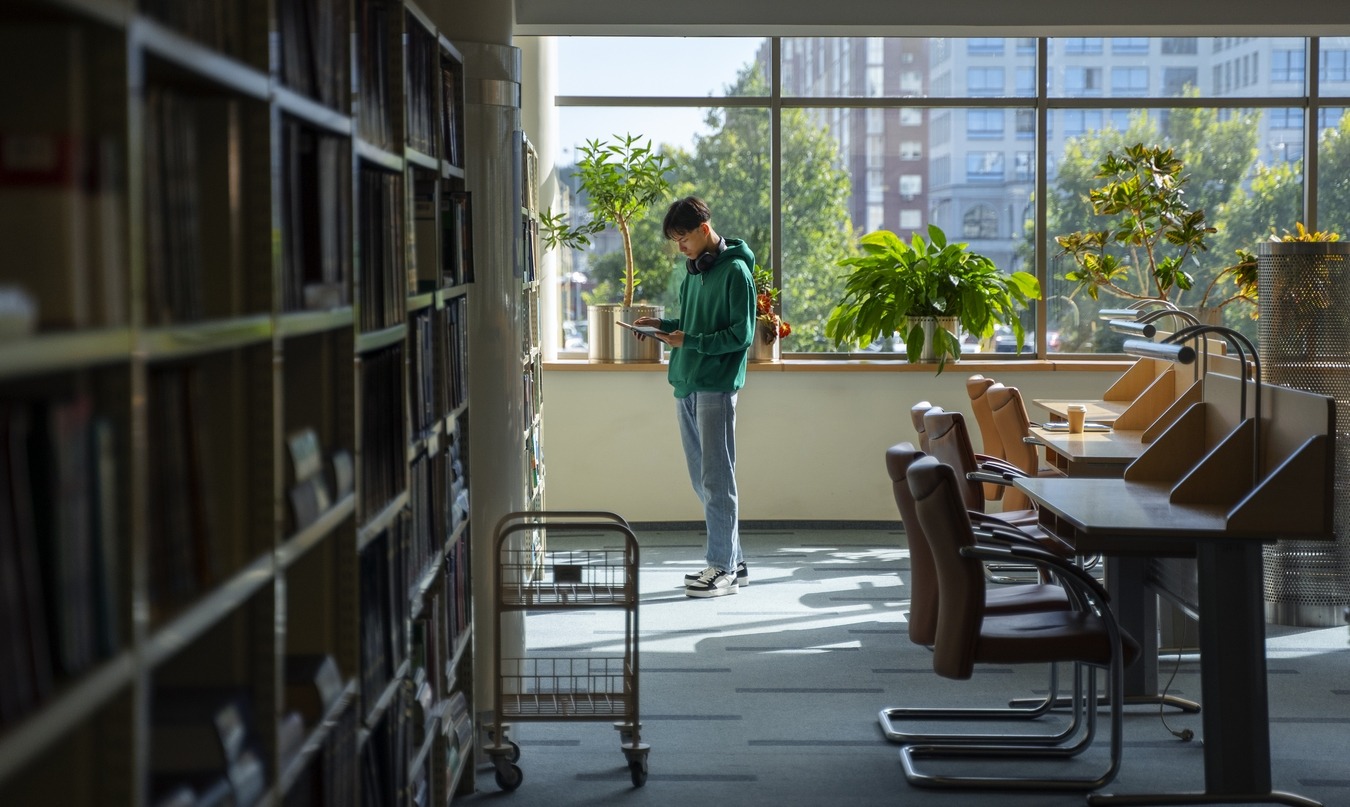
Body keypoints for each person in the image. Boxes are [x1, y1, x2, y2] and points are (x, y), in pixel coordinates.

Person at [634, 196, 756, 598]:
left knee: (717, 480)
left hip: (715, 385)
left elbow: (741, 335)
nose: (680, 247)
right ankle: (735, 560)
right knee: (701, 480)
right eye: (675, 240)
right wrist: (662, 325)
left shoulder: (736, 272)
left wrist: (691, 340)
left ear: (704, 229)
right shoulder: (694, 273)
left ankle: (722, 567)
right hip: (686, 383)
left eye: (683, 238)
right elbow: (689, 324)